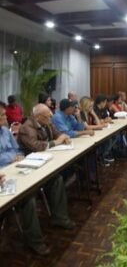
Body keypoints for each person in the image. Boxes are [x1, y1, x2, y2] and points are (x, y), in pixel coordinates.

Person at [0, 102, 74, 255]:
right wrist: (12, 157)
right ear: (39, 116)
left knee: (56, 179)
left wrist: (15, 156)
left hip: (16, 168)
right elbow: (25, 149)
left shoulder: (5, 132)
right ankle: (34, 241)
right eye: (1, 115)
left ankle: (59, 218)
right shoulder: (27, 127)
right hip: (4, 173)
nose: (5, 117)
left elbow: (17, 149)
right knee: (28, 198)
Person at [79, 96, 114, 165]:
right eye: (90, 106)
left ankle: (102, 157)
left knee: (107, 139)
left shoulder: (89, 113)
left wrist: (94, 114)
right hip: (84, 135)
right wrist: (100, 126)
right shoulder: (81, 113)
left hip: (90, 133)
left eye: (92, 106)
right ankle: (100, 158)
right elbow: (86, 127)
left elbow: (98, 122)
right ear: (85, 106)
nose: (92, 108)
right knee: (103, 141)